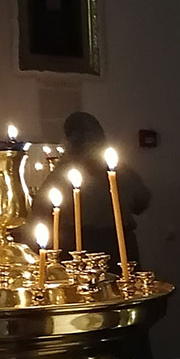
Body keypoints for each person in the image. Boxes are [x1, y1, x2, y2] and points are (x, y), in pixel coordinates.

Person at [59, 111, 149, 262]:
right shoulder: (122, 171)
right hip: (115, 244)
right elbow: (141, 202)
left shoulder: (63, 173)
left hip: (86, 246)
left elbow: (43, 211)